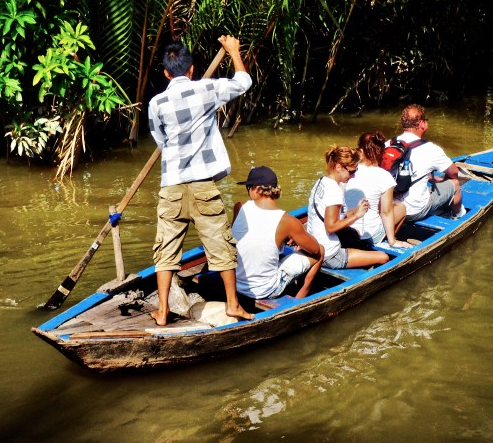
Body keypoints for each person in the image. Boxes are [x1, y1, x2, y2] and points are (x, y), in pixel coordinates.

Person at [148, 36, 254, 326]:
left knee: (166, 251)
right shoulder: (208, 89)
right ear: (192, 70)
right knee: (220, 245)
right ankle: (233, 305)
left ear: (166, 73)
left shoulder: (156, 103)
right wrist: (233, 51)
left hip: (171, 186)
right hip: (202, 185)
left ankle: (161, 312)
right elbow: (243, 82)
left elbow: (160, 140)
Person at [232, 166, 325, 300]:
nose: (248, 192)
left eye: (248, 188)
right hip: (265, 290)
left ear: (257, 189)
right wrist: (291, 235)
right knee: (321, 251)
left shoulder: (239, 206)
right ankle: (300, 299)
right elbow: (315, 249)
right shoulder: (287, 221)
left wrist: (285, 236)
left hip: (236, 284)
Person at [307, 145, 389, 270]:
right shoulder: (335, 190)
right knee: (383, 257)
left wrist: (356, 210)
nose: (353, 176)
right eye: (352, 171)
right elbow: (331, 227)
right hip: (330, 255)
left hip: (314, 246)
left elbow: (336, 216)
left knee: (354, 234)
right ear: (338, 167)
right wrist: (357, 216)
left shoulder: (321, 181)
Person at [389, 104, 464, 222]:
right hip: (414, 210)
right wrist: (444, 180)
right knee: (455, 184)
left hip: (389, 208)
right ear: (421, 124)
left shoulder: (389, 144)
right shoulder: (430, 149)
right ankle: (459, 216)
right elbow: (454, 173)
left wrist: (429, 177)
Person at [345, 132, 412, 248]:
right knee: (401, 207)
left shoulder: (348, 171)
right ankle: (389, 240)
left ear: (360, 152)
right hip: (370, 236)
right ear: (382, 152)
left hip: (345, 231)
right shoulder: (385, 176)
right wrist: (393, 241)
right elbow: (386, 212)